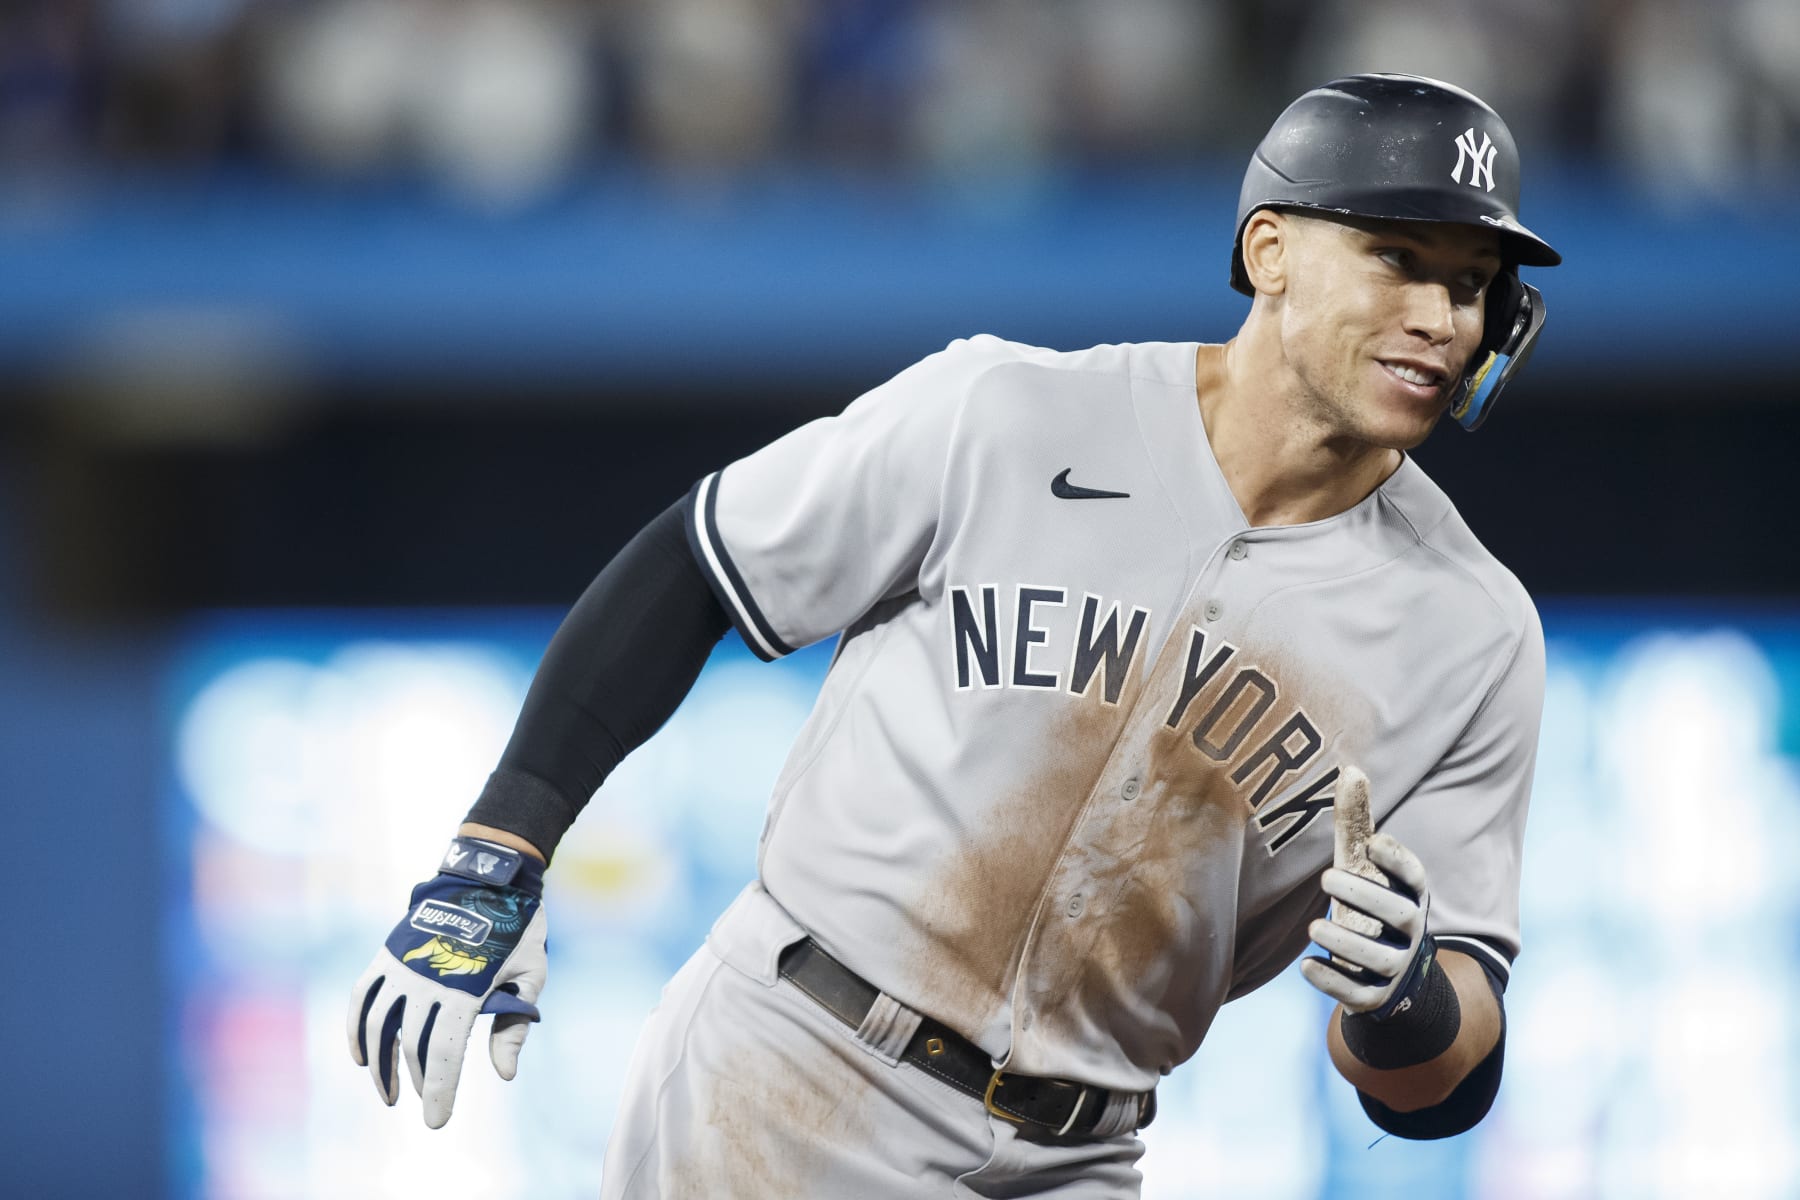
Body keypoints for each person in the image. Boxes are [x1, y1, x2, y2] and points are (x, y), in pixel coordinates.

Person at [347, 72, 1560, 1197]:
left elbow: (1440, 1092)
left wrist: (1402, 1006)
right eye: (1396, 256)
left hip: (1074, 1153)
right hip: (791, 1068)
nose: (1439, 316)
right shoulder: (1010, 412)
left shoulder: (1473, 630)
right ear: (1271, 249)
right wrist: (497, 852)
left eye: (1469, 284)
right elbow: (695, 567)